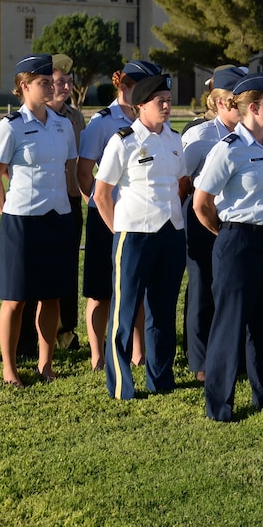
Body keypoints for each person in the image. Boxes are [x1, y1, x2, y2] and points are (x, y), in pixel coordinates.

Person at [192, 73, 263, 422]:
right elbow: (201, 202)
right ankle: (219, 404)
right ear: (253, 107)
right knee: (230, 323)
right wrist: (224, 232)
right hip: (238, 241)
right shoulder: (228, 149)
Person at [0, 54, 79, 387]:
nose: (52, 86)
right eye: (43, 82)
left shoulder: (62, 125)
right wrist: (7, 213)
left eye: (51, 82)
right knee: (14, 299)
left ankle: (45, 363)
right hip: (22, 221)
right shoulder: (9, 128)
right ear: (24, 86)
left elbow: (70, 173)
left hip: (57, 218)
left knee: (52, 295)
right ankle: (9, 368)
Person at [91, 73, 186, 399]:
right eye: (160, 101)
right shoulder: (124, 141)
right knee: (125, 311)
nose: (166, 106)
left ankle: (160, 379)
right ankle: (120, 383)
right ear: (140, 105)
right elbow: (101, 193)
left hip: (171, 234)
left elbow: (181, 182)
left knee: (163, 311)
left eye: (169, 101)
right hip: (134, 235)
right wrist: (119, 230)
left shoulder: (174, 140)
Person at [78, 59, 162, 373]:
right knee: (101, 291)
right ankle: (97, 354)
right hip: (106, 219)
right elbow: (84, 173)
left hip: (140, 218)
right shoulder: (102, 122)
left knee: (136, 286)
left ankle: (138, 352)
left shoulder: (149, 120)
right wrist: (102, 207)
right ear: (124, 87)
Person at [179, 65, 245, 379]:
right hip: (202, 217)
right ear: (219, 103)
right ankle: (200, 360)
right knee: (203, 287)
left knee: (233, 287)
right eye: (236, 98)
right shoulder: (200, 135)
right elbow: (183, 182)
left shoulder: (251, 134)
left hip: (236, 220)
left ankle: (234, 352)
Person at [48, 56, 86, 351]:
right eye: (61, 81)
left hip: (70, 202)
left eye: (69, 80)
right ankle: (29, 336)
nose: (66, 86)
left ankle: (65, 333)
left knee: (68, 270)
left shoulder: (75, 118)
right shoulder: (30, 118)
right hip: (41, 204)